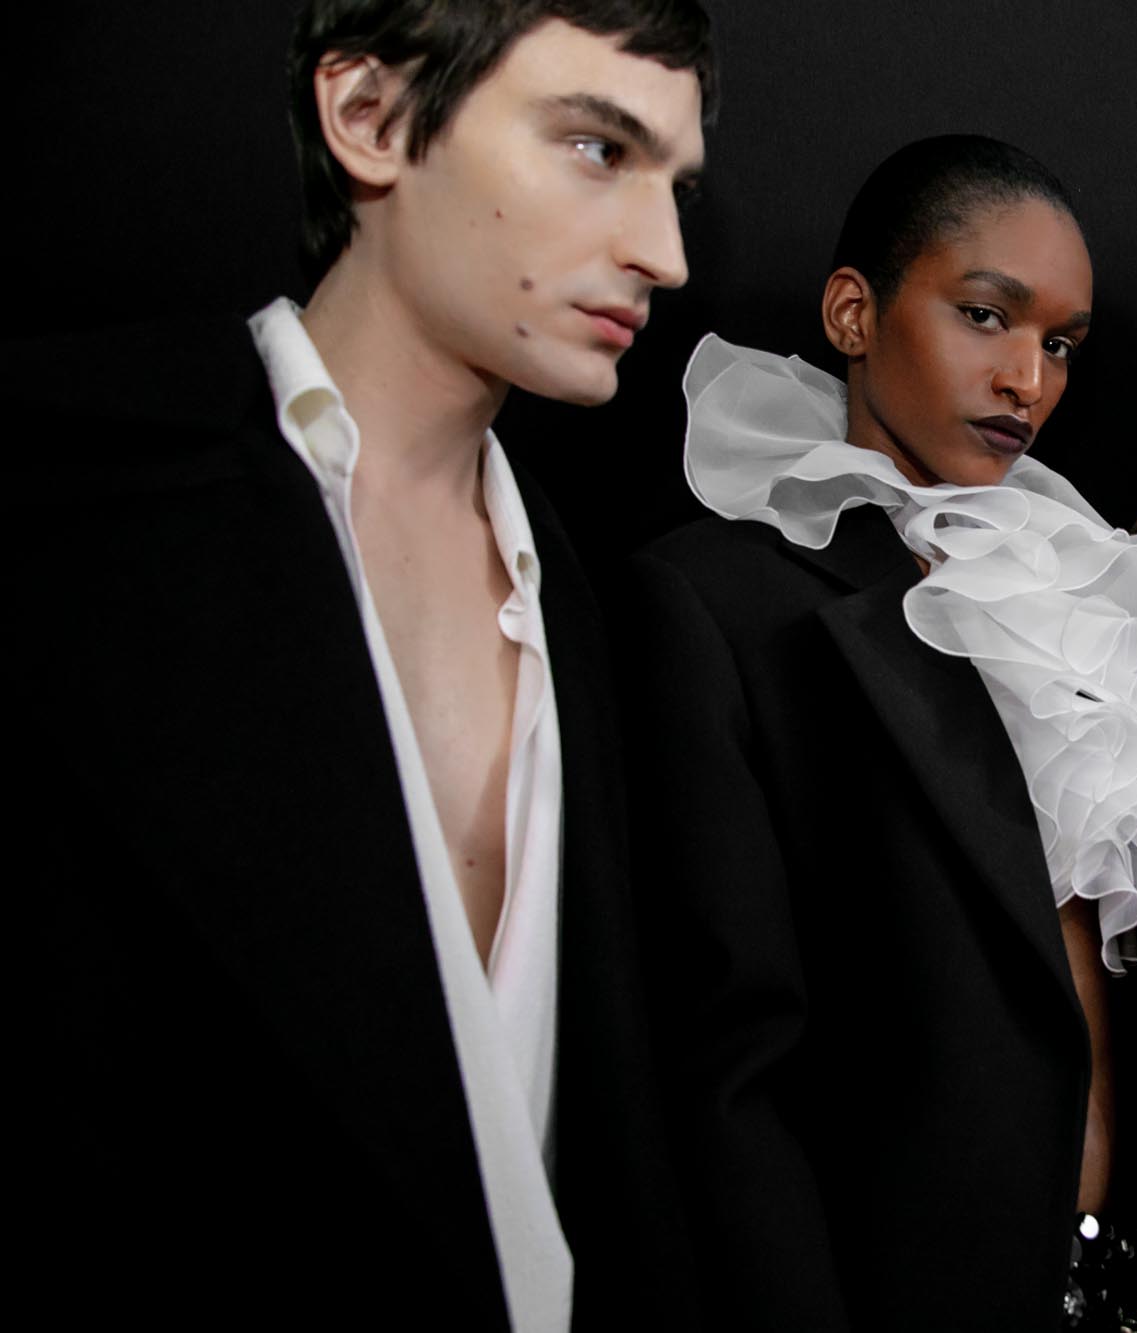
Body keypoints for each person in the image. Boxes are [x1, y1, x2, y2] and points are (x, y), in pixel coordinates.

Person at [7, 2, 712, 1326]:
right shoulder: (59, 515)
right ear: (370, 118)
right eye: (596, 149)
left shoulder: (610, 614)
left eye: (674, 183)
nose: (662, 253)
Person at [621, 135, 1137, 1331]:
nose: (1028, 380)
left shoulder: (1089, 598)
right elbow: (725, 1071)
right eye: (984, 316)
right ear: (853, 313)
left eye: (1060, 344)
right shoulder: (716, 604)